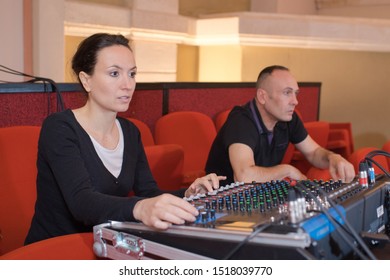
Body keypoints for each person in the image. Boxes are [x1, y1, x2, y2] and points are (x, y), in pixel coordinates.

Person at [25, 33, 225, 245]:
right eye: (114, 73)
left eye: (132, 74)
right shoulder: (60, 128)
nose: (127, 84)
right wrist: (139, 208)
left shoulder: (130, 131)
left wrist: (188, 193)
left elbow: (149, 193)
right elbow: (82, 202)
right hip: (56, 250)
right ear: (86, 80)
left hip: (105, 246)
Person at [205, 65, 355, 185]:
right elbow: (244, 176)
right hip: (225, 202)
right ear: (262, 97)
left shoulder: (289, 118)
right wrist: (287, 170)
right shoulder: (241, 121)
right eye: (287, 93)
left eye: (296, 93)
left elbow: (314, 152)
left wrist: (333, 158)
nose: (295, 101)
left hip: (261, 194)